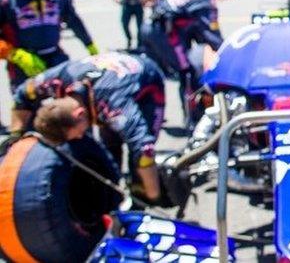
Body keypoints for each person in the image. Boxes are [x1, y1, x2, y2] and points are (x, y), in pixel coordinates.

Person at [5, 52, 168, 204]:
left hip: (147, 82)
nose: (78, 138)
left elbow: (144, 148)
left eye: (77, 134)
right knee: (110, 147)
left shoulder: (113, 105)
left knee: (137, 158)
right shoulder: (56, 81)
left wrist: (152, 194)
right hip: (105, 75)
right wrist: (15, 136)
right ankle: (113, 191)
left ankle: (141, 195)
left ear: (79, 114)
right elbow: (22, 95)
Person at [141, 0, 238, 126]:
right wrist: (227, 54)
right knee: (187, 73)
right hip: (163, 32)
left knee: (154, 73)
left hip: (153, 27)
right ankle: (191, 121)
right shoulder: (207, 2)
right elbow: (211, 35)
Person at [0, 0, 98, 90]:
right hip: (24, 66)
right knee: (27, 111)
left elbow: (72, 20)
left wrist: (90, 45)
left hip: (57, 58)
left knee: (70, 105)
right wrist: (15, 55)